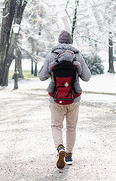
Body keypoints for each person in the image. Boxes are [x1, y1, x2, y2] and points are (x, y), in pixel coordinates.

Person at [39, 30, 91, 169]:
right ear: (71, 41)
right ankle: (69, 155)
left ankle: (60, 148)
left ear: (59, 41)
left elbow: (42, 76)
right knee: (71, 127)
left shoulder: (52, 55)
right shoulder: (77, 55)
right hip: (74, 98)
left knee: (56, 126)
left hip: (56, 99)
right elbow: (87, 77)